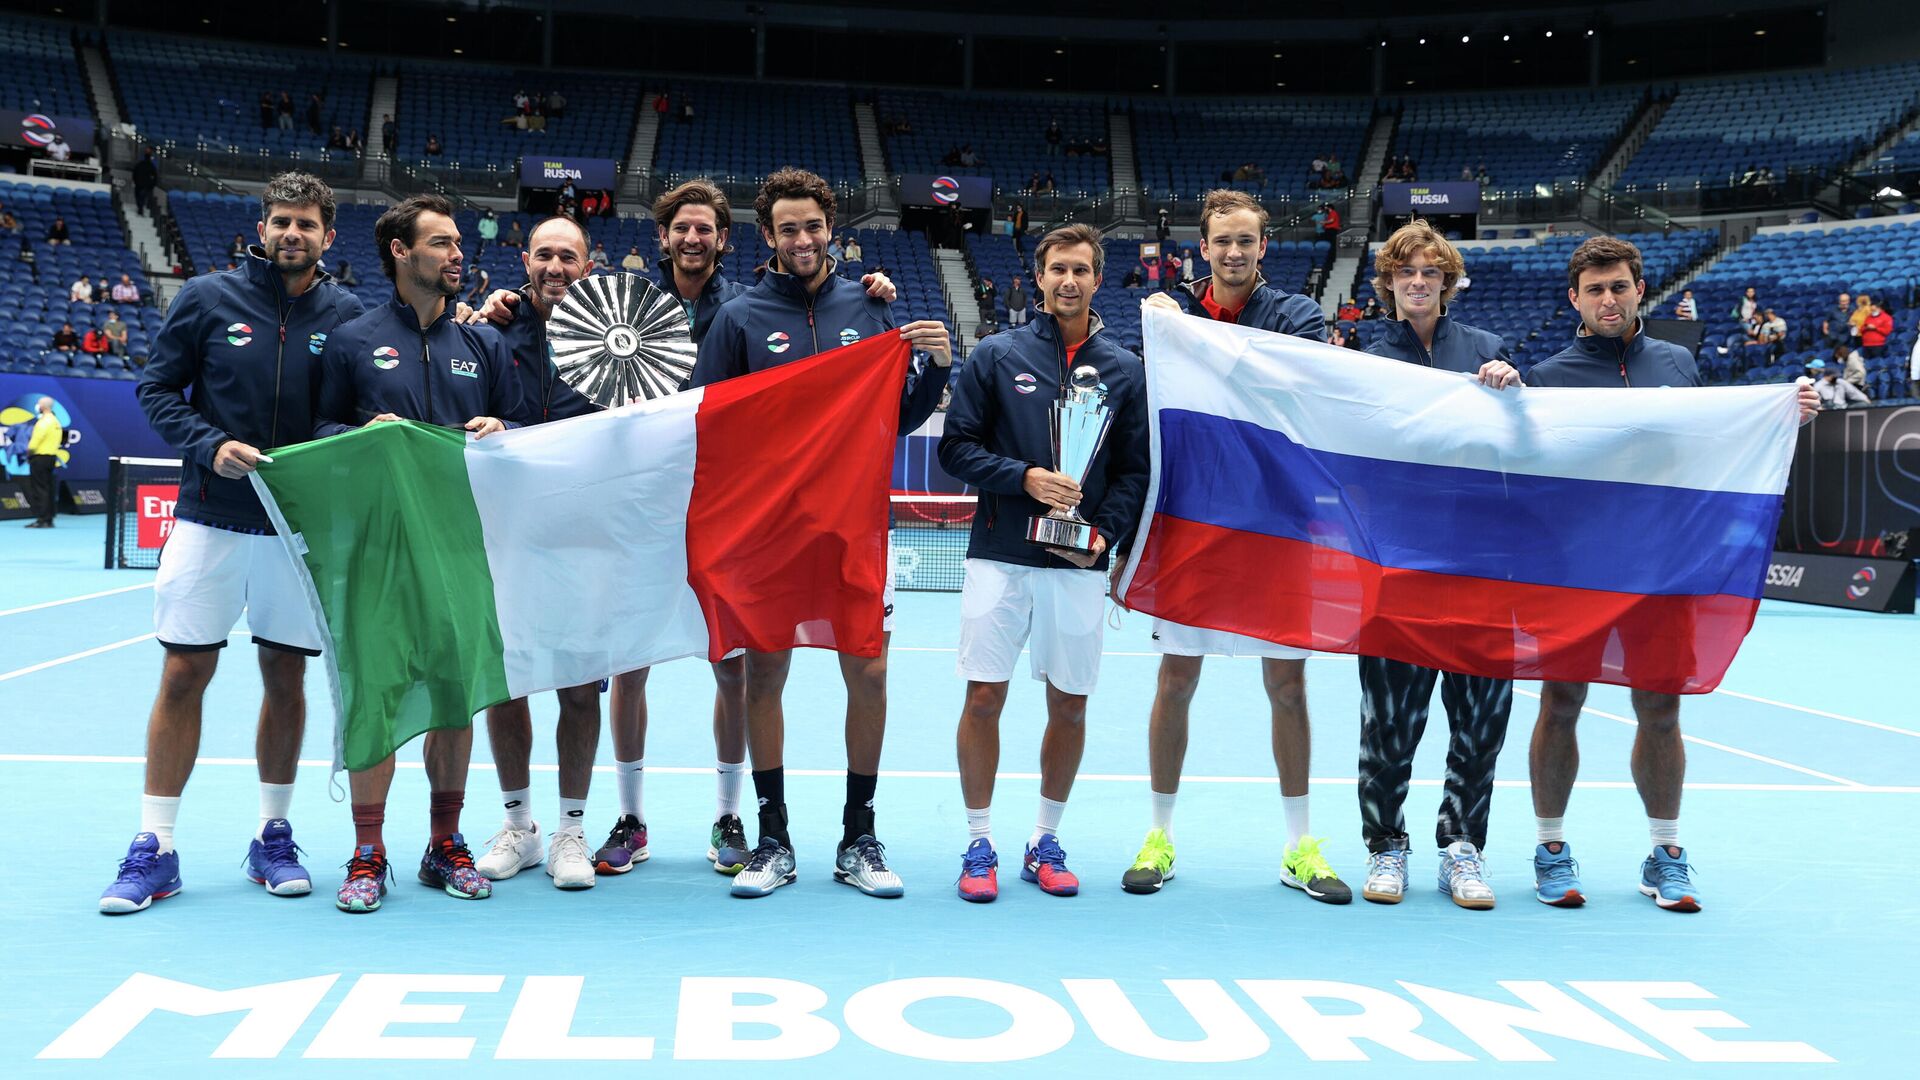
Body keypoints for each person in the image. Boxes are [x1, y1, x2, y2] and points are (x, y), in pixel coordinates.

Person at [1524, 235, 1818, 914]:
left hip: (1663, 571)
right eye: (1594, 289)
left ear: (1639, 291)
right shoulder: (1547, 377)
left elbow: (1711, 442)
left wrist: (1780, 414)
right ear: (1575, 298)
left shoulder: (1679, 365)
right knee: (1560, 705)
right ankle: (1550, 847)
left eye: (1619, 287)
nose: (1608, 299)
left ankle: (1666, 854)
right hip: (1577, 575)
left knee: (1660, 708)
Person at [685, 169, 950, 899]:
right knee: (766, 675)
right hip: (769, 533)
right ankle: (773, 839)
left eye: (813, 227)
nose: (803, 240)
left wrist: (933, 368)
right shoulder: (737, 319)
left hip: (856, 525)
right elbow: (710, 424)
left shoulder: (868, 309)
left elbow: (892, 418)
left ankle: (858, 835)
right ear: (766, 236)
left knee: (867, 672)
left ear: (832, 229)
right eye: (788, 229)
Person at [108, 173, 365, 916]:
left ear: (327, 235)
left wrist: (335, 444)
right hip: (209, 517)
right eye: (281, 221)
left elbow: (345, 413)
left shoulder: (346, 313)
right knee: (184, 672)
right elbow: (157, 391)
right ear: (261, 228)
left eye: (307, 223)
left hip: (296, 526)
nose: (293, 233)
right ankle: (155, 845)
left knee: (286, 677)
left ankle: (273, 835)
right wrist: (210, 443)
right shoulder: (207, 298)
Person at [1120, 191, 1341, 902]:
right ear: (1203, 249)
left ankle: (1299, 847)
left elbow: (1300, 387)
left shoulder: (1297, 318)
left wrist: (1183, 334)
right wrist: (1157, 335)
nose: (1235, 253)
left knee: (1287, 684)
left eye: (1247, 241)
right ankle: (1158, 837)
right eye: (1222, 242)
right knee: (1177, 678)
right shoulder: (1169, 320)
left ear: (1264, 246)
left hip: (1280, 525)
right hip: (1194, 520)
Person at [311, 193, 524, 914]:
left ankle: (444, 844)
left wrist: (502, 424)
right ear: (402, 253)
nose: (458, 254)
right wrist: (361, 434)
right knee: (378, 693)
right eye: (441, 243)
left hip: (461, 546)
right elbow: (317, 429)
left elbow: (520, 431)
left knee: (455, 697)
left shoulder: (484, 345)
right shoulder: (351, 338)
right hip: (376, 546)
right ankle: (368, 854)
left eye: (459, 243)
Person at [941, 223, 1149, 903]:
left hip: (1077, 564)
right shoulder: (997, 355)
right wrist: (1023, 477)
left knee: (1070, 704)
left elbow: (1134, 474)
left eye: (1081, 270)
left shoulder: (1124, 371)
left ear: (1097, 279)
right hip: (1001, 554)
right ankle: (978, 842)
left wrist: (1102, 537)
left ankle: (1043, 840)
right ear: (1038, 277)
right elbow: (957, 449)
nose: (1068, 281)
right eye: (1057, 269)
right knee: (983, 695)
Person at [1355, 220, 1523, 910]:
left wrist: (1515, 391)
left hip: (1485, 563)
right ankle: (1386, 845)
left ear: (1448, 283)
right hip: (1398, 564)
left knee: (1480, 716)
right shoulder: (1362, 357)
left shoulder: (1488, 352)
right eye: (1405, 273)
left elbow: (1530, 447)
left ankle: (1462, 846)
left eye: (1430, 272)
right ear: (1389, 284)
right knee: (1390, 719)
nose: (1418, 282)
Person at [457, 215, 606, 890]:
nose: (555, 266)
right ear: (526, 259)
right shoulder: (490, 335)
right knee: (505, 685)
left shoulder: (616, 342)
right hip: (503, 539)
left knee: (578, 690)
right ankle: (519, 827)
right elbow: (466, 415)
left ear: (588, 265)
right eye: (544, 254)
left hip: (581, 540)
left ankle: (571, 833)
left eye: (567, 256)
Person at [24, 397, 61, 528]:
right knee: (48, 488)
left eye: (38, 404)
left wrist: (29, 453)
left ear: (43, 406)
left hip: (39, 458)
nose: (37, 406)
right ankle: (49, 518)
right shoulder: (56, 421)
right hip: (51, 458)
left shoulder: (43, 422)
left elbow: (35, 442)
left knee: (40, 489)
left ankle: (42, 519)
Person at [133, 148, 159, 216]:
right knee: (142, 198)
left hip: (139, 184)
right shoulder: (151, 166)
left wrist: (136, 181)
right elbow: (155, 177)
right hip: (145, 185)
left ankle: (140, 209)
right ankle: (141, 209)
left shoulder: (139, 164)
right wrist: (152, 185)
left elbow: (134, 174)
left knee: (139, 197)